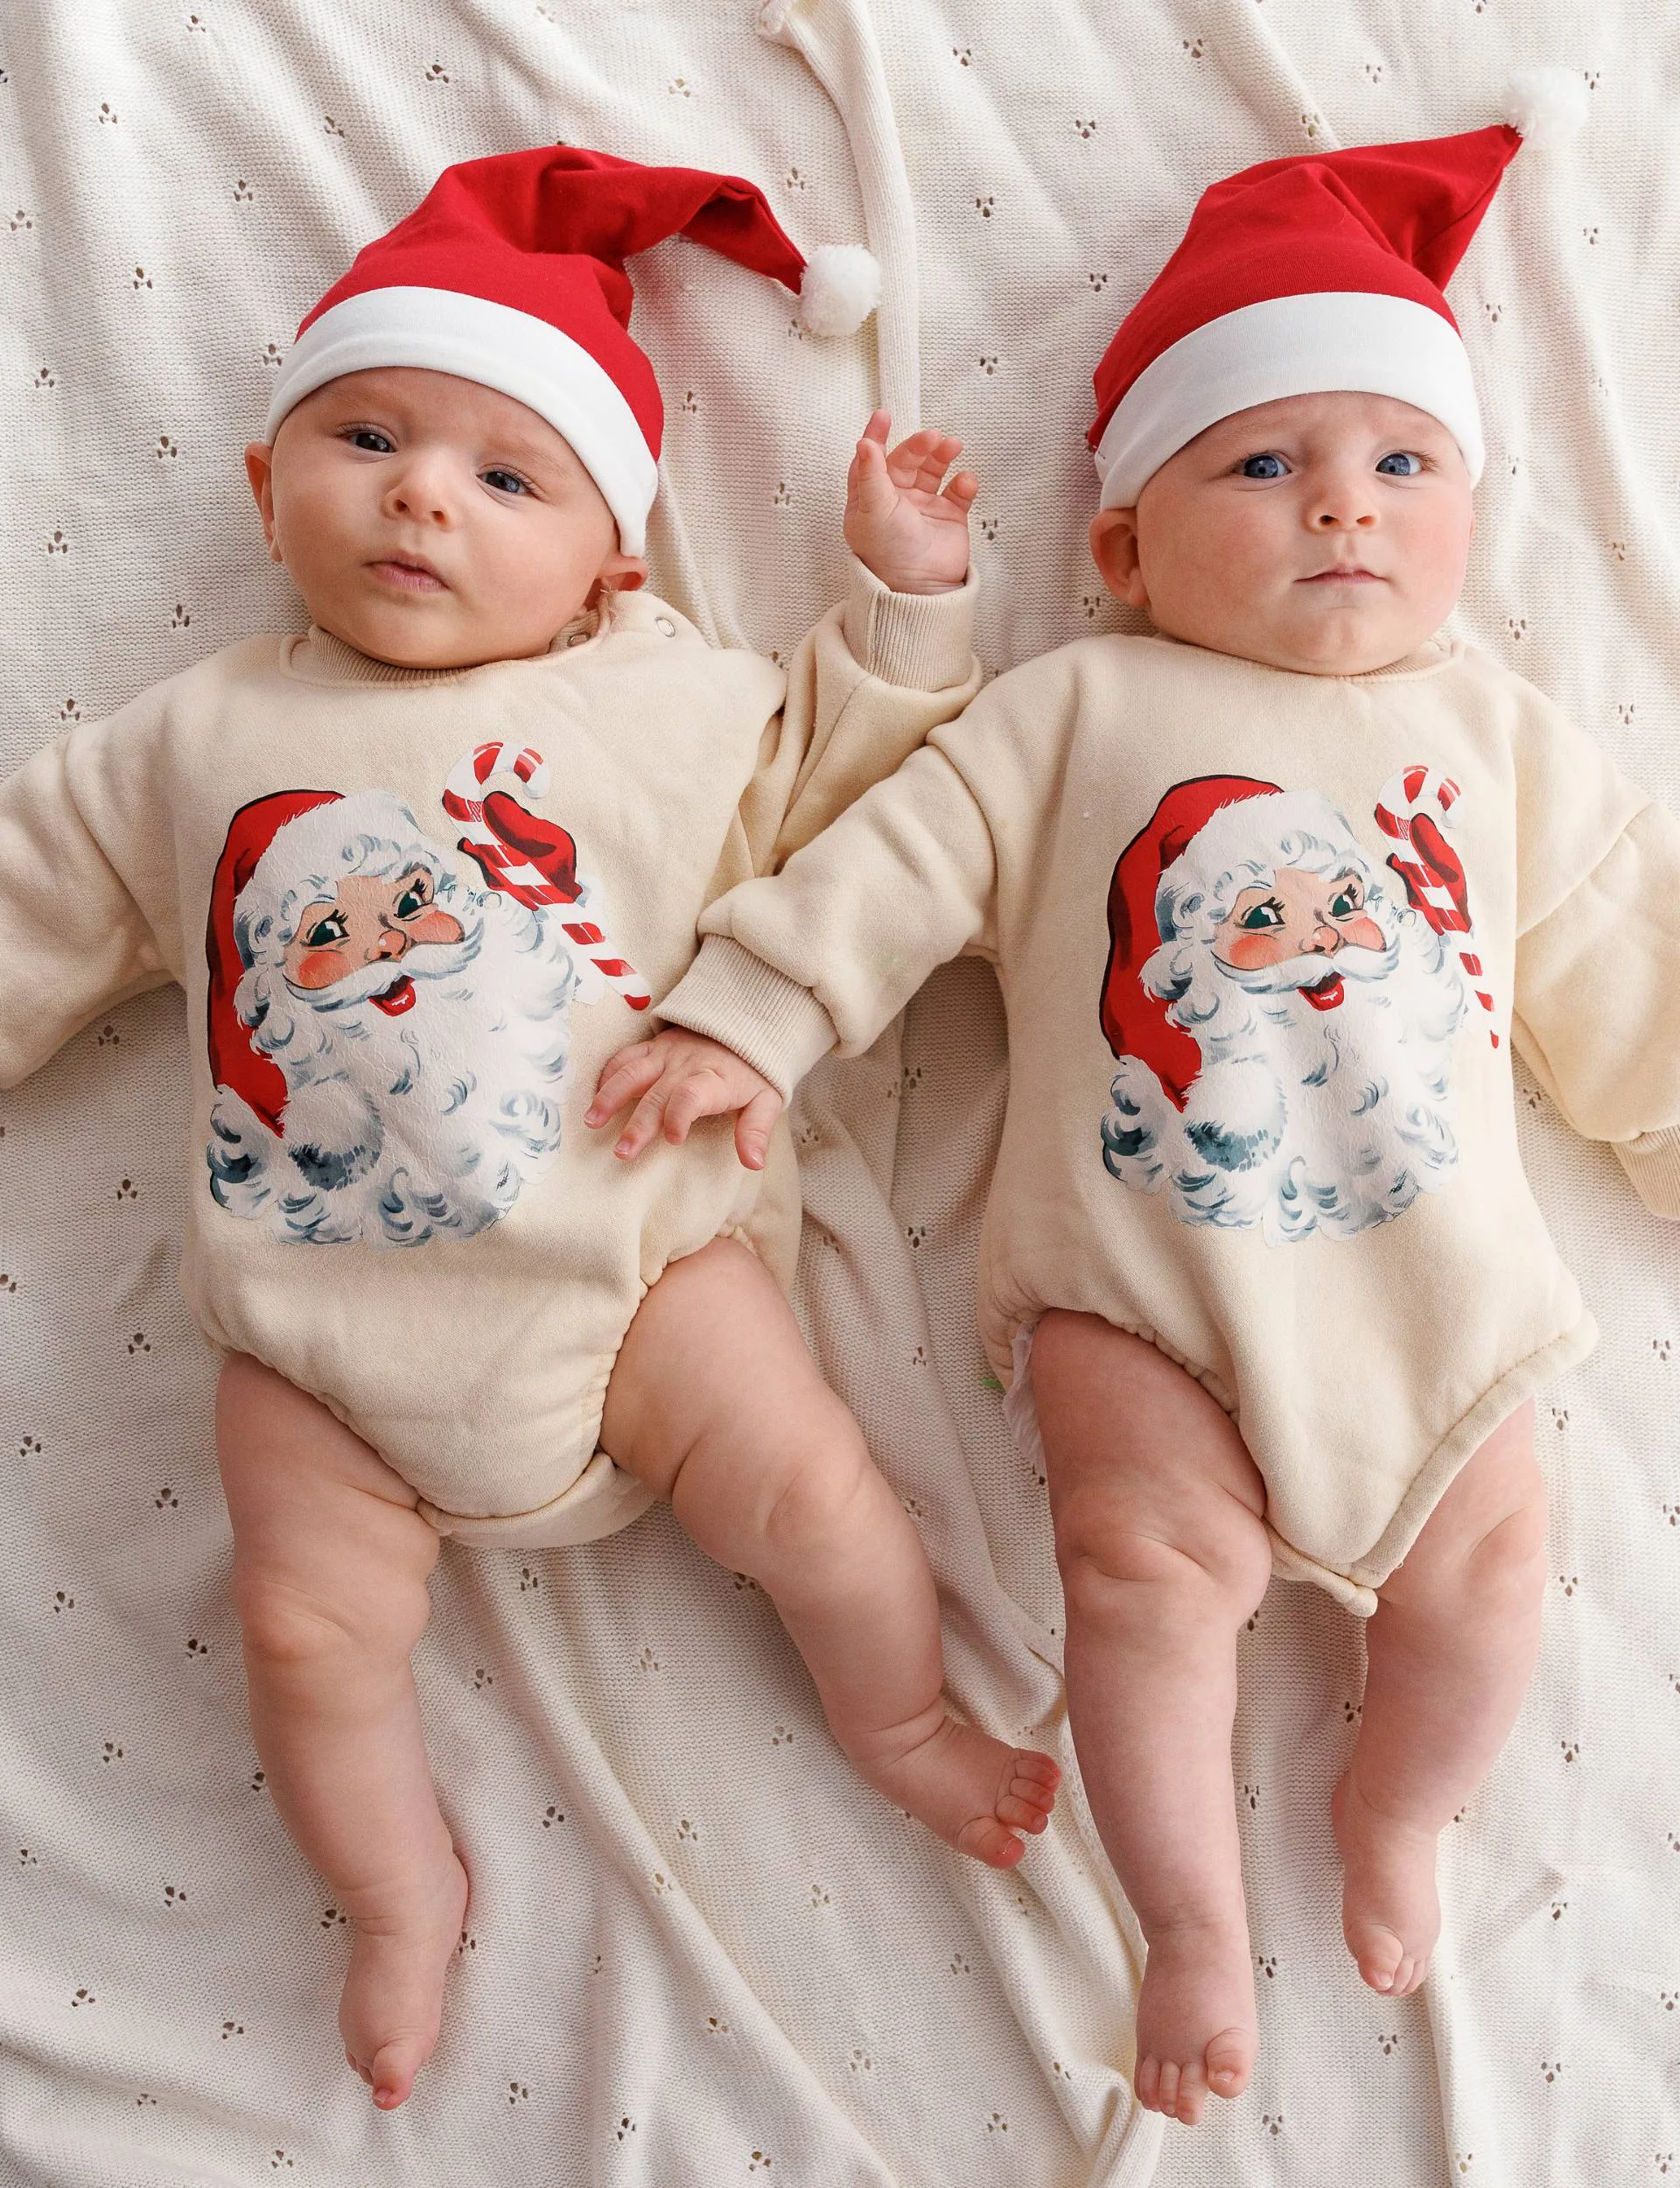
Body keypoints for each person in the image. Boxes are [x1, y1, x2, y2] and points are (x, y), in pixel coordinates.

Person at [592, 83, 1680, 2125]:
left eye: (1400, 462)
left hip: (1433, 1279)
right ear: (1123, 539)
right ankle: (1183, 1913)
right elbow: (887, 867)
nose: (1342, 505)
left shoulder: (1492, 731)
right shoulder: (1070, 706)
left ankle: (1402, 1806)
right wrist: (747, 1013)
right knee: (1139, 1575)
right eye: (1265, 462)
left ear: (1467, 513)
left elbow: (1630, 947)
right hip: (1142, 1279)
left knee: (1490, 1573)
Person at [0, 145, 1059, 2113]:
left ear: (612, 563)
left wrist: (906, 613)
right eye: (369, 435)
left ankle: (897, 1711)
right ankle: (395, 1890)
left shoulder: (665, 703)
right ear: (263, 487)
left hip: (635, 1266)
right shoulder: (180, 743)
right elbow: (28, 914)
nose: (421, 492)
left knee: (819, 1499)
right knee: (303, 1626)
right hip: (322, 1341)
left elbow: (854, 794)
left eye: (509, 476)